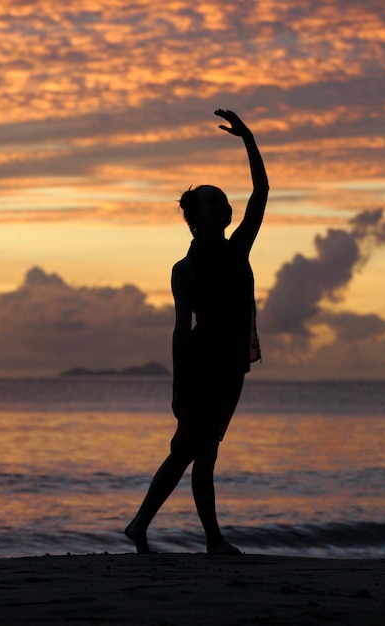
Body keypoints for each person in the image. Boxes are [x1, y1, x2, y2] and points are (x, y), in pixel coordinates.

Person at [125, 109, 269, 554]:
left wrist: (248, 138)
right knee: (189, 450)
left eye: (224, 198)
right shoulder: (184, 270)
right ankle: (145, 525)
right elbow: (179, 329)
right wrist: (176, 385)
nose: (223, 204)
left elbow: (260, 192)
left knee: (204, 453)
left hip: (229, 369)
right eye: (212, 200)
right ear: (195, 217)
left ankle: (209, 539)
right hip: (203, 367)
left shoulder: (237, 248)